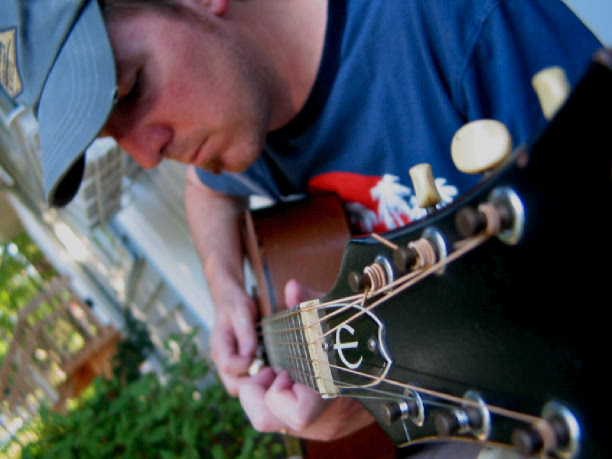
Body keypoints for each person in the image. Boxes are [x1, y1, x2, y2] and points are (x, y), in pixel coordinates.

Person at [1, 0, 602, 455]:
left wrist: (372, 391)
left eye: (130, 89)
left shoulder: (452, 25)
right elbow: (204, 193)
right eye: (114, 137)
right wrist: (226, 290)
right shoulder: (243, 132)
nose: (148, 155)